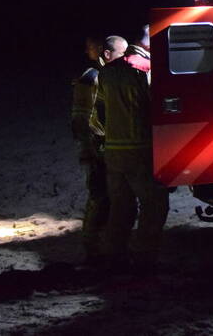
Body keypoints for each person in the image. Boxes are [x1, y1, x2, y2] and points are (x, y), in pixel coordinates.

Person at [98, 34, 169, 274]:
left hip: (114, 152)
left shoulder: (106, 73)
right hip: (138, 150)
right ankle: (144, 259)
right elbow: (155, 104)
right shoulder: (140, 72)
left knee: (121, 206)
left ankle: (113, 256)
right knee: (154, 204)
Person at [71, 36, 118, 266]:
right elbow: (80, 118)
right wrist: (88, 149)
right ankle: (92, 250)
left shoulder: (108, 77)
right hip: (97, 147)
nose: (87, 50)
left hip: (108, 147)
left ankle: (104, 247)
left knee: (110, 199)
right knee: (100, 198)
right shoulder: (91, 78)